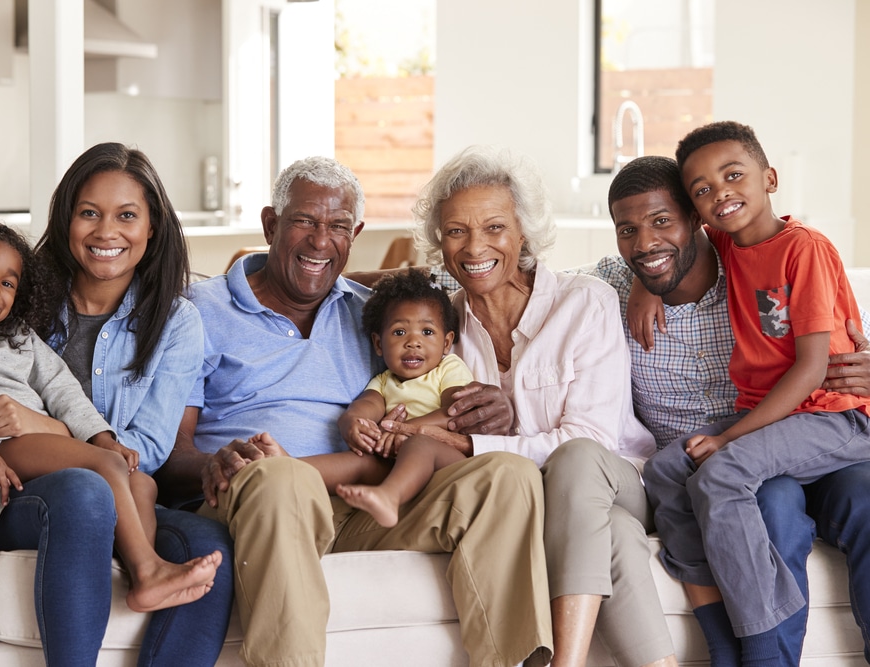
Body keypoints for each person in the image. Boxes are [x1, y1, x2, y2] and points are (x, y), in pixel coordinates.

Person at [154, 155, 553, 667]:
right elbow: (168, 453)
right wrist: (214, 463)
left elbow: (427, 366)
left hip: (363, 503)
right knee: (281, 478)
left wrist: (484, 405)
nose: (322, 241)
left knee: (509, 474)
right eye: (304, 221)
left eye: (338, 226)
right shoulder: (198, 310)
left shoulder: (371, 313)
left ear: (355, 233)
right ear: (271, 224)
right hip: (262, 497)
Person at [0, 143, 234, 666]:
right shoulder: (16, 290)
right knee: (86, 488)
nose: (107, 232)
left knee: (206, 541)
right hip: (12, 483)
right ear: (67, 220)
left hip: (108, 476)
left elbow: (145, 447)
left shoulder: (174, 322)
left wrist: (54, 429)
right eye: (89, 213)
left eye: (127, 216)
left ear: (151, 228)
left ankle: (147, 566)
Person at [381, 145, 676, 667]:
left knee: (580, 459)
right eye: (455, 231)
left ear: (523, 233)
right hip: (537, 508)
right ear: (439, 242)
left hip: (619, 481)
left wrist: (474, 443)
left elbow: (591, 441)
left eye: (494, 228)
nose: (475, 247)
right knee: (619, 540)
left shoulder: (584, 302)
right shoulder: (440, 330)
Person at [599, 154, 870, 665]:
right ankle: (756, 655)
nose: (646, 241)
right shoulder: (613, 283)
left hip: (815, 433)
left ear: (697, 222)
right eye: (628, 230)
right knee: (772, 503)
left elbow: (838, 332)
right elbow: (501, 283)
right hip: (741, 456)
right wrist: (645, 278)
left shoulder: (761, 259)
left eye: (662, 222)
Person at [333, 268, 474, 526]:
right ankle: (288, 468)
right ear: (378, 344)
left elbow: (455, 412)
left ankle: (389, 497)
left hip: (446, 461)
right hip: (395, 462)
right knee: (358, 460)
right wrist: (352, 423)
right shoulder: (384, 381)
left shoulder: (448, 368)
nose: (413, 342)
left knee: (419, 443)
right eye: (399, 332)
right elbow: (365, 406)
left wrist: (405, 430)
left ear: (446, 342)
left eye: (427, 332)